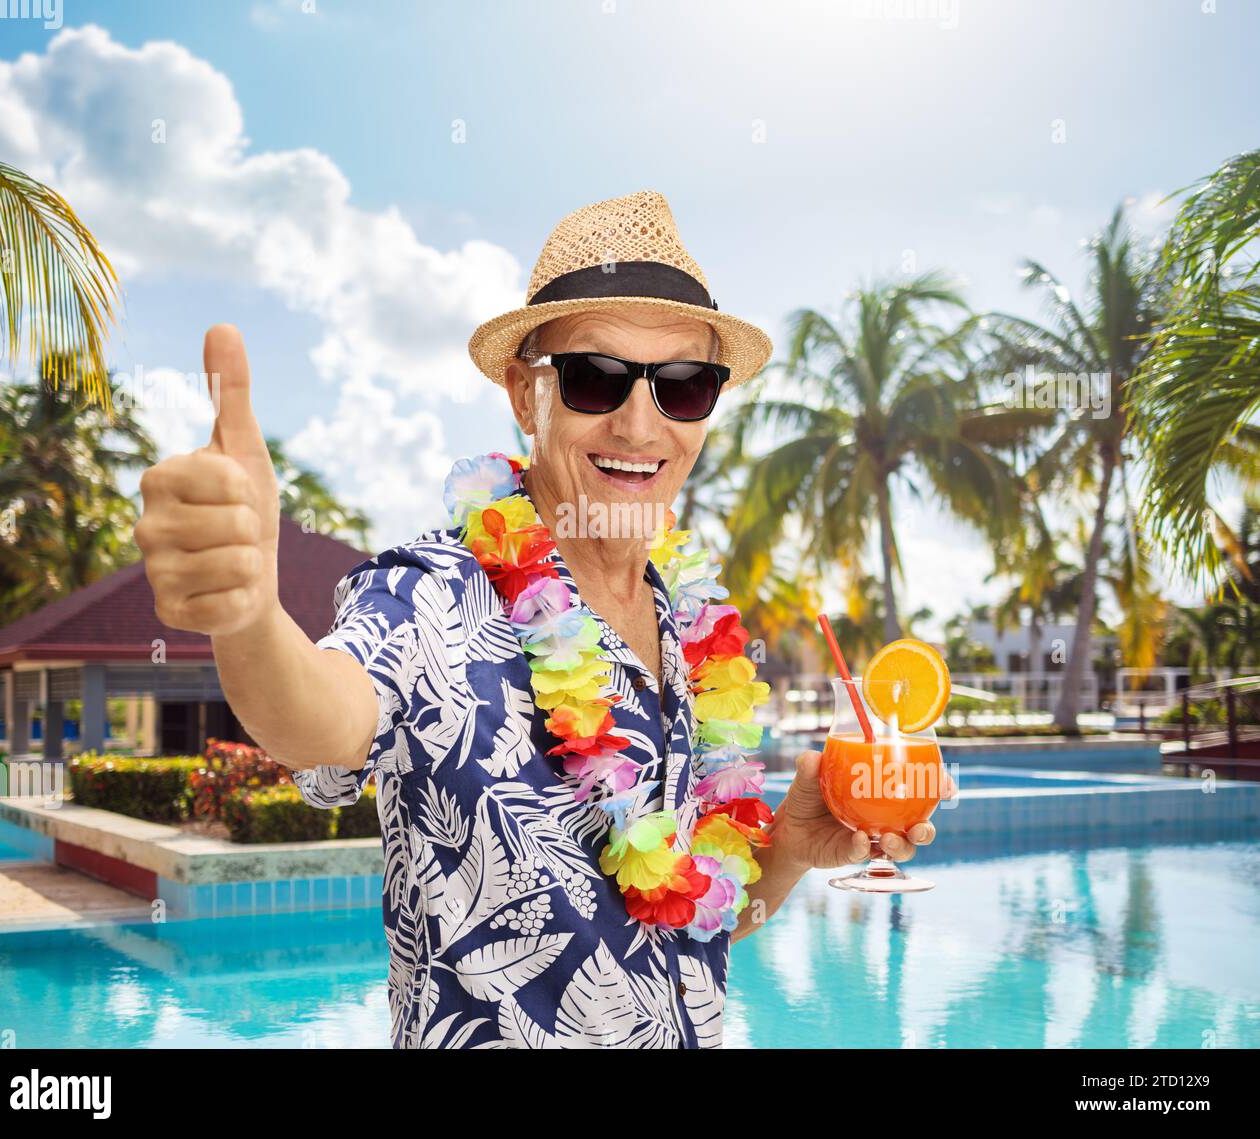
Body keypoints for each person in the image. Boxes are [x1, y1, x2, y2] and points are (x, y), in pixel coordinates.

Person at [135, 189, 936, 1048]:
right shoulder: (430, 594)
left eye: (684, 386)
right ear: (527, 395)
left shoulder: (694, 632)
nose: (640, 423)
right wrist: (248, 614)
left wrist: (789, 850)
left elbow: (686, 923)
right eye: (596, 378)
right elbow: (315, 717)